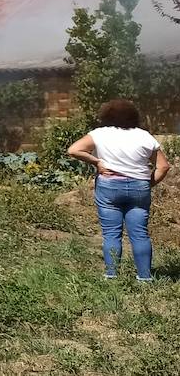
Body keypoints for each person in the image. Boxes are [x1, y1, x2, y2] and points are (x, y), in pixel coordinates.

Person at [67, 99, 171, 281]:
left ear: (106, 115)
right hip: (139, 188)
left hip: (109, 187)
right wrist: (147, 184)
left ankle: (112, 276)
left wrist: (97, 162)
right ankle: (145, 278)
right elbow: (163, 167)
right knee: (139, 234)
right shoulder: (144, 136)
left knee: (111, 234)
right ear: (133, 116)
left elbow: (74, 150)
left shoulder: (99, 134)